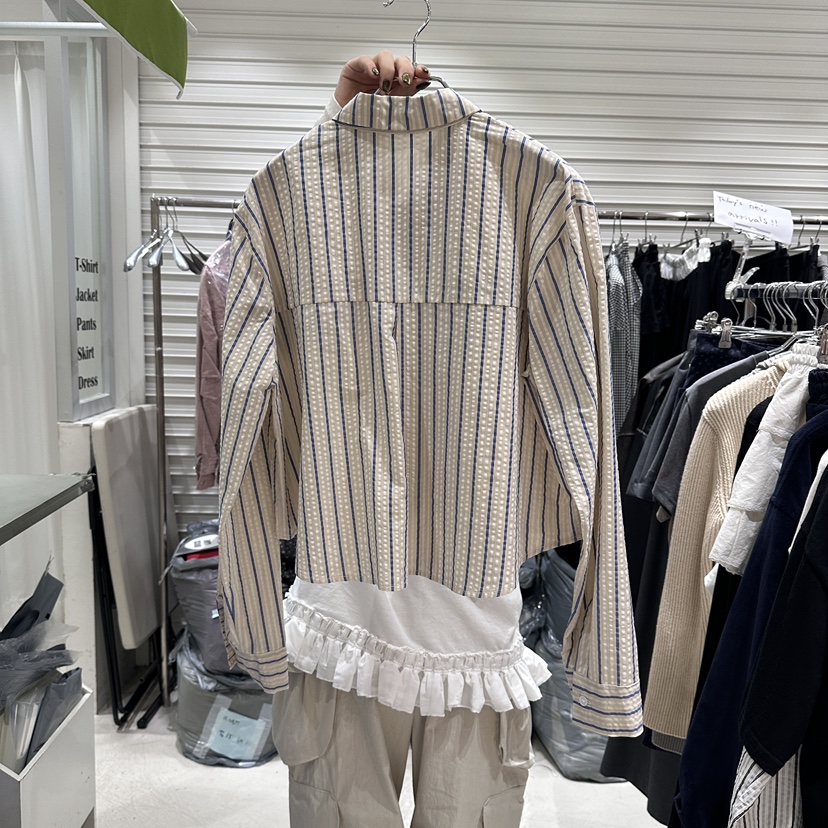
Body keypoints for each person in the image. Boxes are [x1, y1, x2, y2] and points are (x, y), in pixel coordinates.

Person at [267, 52, 544, 828]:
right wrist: (341, 117)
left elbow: (576, 410)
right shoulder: (303, 195)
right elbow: (294, 236)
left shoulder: (526, 193)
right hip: (344, 622)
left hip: (473, 635)